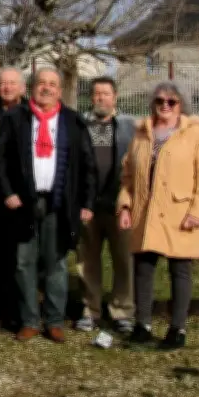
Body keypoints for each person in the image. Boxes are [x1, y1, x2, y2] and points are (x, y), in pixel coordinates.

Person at [0, 67, 96, 343]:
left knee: (56, 263)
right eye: (41, 83)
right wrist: (7, 192)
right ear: (32, 87)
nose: (46, 88)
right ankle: (29, 320)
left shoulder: (73, 122)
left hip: (59, 202)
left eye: (52, 84)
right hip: (23, 202)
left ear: (60, 91)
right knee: (24, 262)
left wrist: (87, 202)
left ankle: (53, 320)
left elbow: (88, 165)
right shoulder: (16, 118)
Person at [117, 82, 199, 350]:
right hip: (145, 213)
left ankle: (177, 328)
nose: (165, 105)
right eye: (160, 100)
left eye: (171, 102)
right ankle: (143, 325)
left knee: (180, 271)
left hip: (180, 213)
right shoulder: (141, 134)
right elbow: (127, 176)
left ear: (180, 105)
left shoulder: (195, 135)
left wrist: (198, 212)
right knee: (143, 269)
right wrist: (125, 206)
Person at [75, 77, 136, 334]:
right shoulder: (81, 126)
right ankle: (91, 310)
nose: (101, 98)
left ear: (115, 97)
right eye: (96, 94)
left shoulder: (128, 126)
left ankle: (122, 311)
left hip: (119, 206)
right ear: (91, 98)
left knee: (124, 260)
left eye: (106, 94)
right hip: (88, 206)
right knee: (87, 261)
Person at [0, 66, 28, 330]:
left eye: (12, 83)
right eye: (2, 83)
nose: (7, 88)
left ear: (22, 88)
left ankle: (19, 310)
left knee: (20, 256)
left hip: (21, 194)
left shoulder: (30, 113)